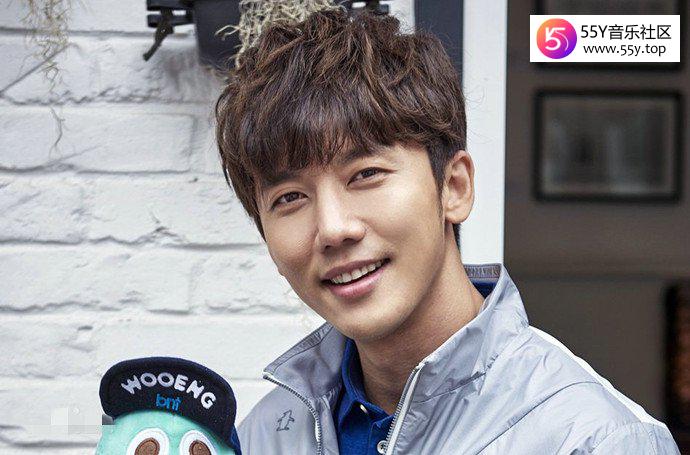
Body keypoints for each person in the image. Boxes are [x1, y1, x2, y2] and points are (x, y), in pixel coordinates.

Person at [214, 7, 680, 455]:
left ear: (454, 187)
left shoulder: (596, 440)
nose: (333, 229)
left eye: (366, 174)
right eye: (290, 198)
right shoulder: (260, 438)